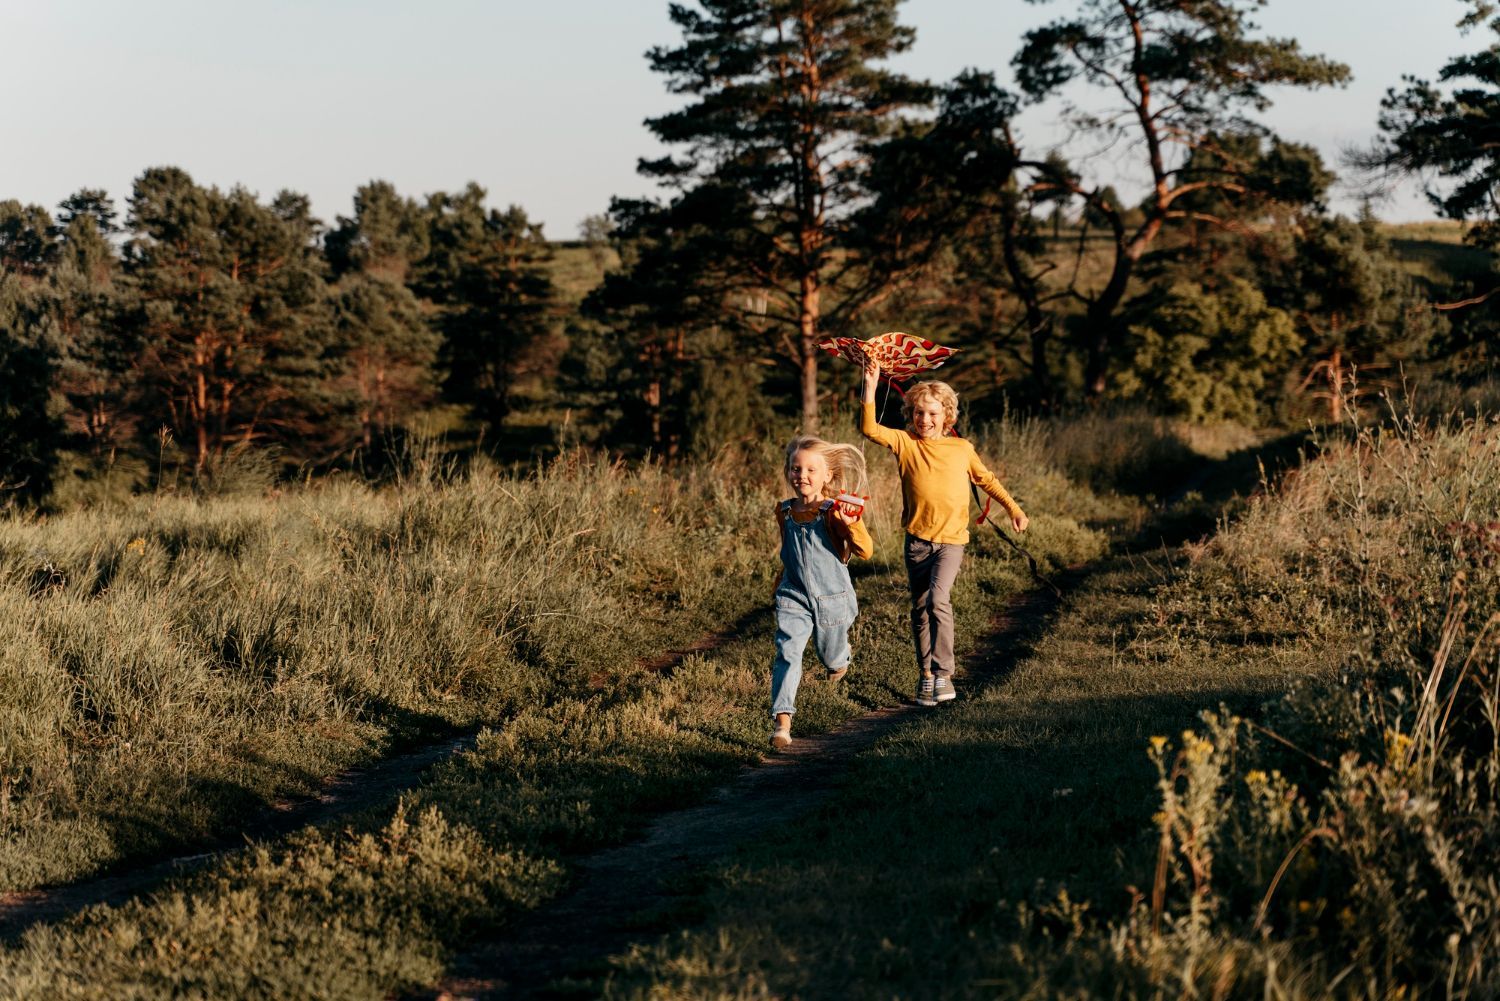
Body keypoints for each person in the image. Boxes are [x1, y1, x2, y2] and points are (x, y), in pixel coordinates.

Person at [859, 354, 1028, 706]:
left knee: (938, 600)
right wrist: (871, 386)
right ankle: (926, 676)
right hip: (917, 540)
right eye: (919, 413)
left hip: (951, 541)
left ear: (947, 416)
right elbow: (870, 430)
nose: (925, 419)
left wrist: (1013, 507)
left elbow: (987, 480)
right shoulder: (906, 444)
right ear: (911, 415)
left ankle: (945, 673)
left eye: (933, 413)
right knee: (920, 609)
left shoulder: (961, 448)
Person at [769, 436, 874, 749]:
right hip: (794, 594)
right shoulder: (784, 511)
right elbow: (788, 551)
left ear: (827, 475)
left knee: (830, 655)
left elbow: (865, 551)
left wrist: (851, 524)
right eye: (796, 468)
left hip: (833, 598)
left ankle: (839, 661)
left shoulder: (832, 512)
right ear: (788, 471)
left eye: (811, 469)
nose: (802, 475)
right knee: (787, 651)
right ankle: (782, 723)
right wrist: (780, 582)